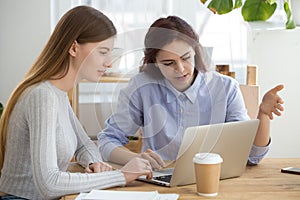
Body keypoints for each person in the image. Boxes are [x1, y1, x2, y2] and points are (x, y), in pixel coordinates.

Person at [0, 6, 152, 200]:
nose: (109, 63)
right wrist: (121, 176)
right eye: (103, 52)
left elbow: (84, 145)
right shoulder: (42, 96)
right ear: (73, 48)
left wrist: (93, 163)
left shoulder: (59, 94)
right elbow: (49, 184)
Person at [98, 16, 284, 170]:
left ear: (195, 51)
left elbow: (252, 156)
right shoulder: (141, 88)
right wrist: (133, 158)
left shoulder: (226, 88)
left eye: (186, 58)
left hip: (216, 179)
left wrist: (263, 115)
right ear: (153, 62)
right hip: (160, 179)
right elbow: (107, 140)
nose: (180, 69)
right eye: (168, 63)